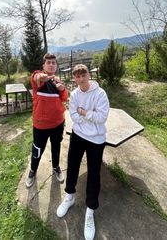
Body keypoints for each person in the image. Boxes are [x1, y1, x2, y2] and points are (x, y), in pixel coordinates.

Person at [56, 64, 110, 240]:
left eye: (83, 75)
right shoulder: (75, 94)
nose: (80, 79)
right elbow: (73, 116)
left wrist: (84, 112)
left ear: (89, 75)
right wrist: (87, 114)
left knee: (94, 174)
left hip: (96, 139)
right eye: (77, 76)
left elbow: (101, 118)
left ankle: (90, 210)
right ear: (74, 78)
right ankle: (70, 196)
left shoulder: (100, 94)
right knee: (72, 166)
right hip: (78, 135)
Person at [25, 53, 68, 188]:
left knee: (56, 146)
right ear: (43, 66)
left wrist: (62, 89)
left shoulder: (57, 81)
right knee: (37, 149)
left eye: (53, 63)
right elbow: (36, 77)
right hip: (41, 125)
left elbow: (64, 98)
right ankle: (33, 171)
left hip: (58, 123)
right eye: (48, 62)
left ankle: (56, 167)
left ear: (56, 66)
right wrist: (39, 76)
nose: (51, 64)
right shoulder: (39, 79)